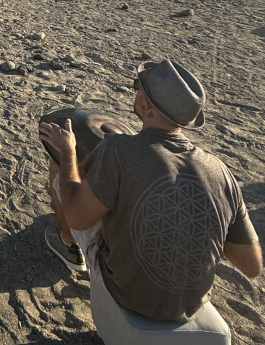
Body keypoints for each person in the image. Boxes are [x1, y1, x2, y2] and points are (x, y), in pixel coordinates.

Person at [39, 59, 261, 322]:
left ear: (145, 105)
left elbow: (76, 216)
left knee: (64, 169)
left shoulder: (119, 150)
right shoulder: (222, 172)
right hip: (191, 306)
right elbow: (252, 266)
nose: (135, 92)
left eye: (137, 88)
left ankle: (69, 246)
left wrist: (67, 153)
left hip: (128, 294)